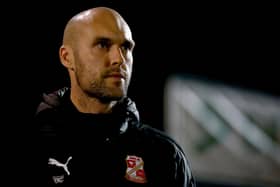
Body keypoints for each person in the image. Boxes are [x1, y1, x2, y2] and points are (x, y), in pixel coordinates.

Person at [33, 6, 196, 186]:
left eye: (126, 47)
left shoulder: (163, 155)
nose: (119, 59)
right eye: (103, 44)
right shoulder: (34, 143)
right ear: (67, 57)